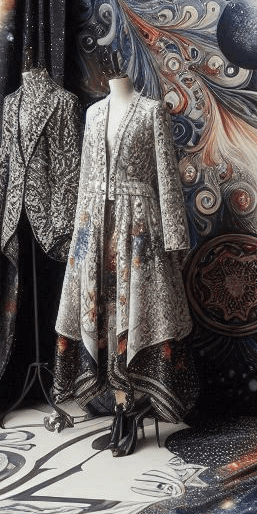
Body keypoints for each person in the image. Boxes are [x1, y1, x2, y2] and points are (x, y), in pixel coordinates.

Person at [52, 65, 199, 455]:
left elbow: (166, 176)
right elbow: (86, 178)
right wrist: (80, 240)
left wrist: (174, 238)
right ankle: (119, 404)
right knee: (103, 314)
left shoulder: (152, 110)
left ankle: (131, 409)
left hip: (138, 230)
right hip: (96, 227)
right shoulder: (93, 113)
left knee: (137, 313)